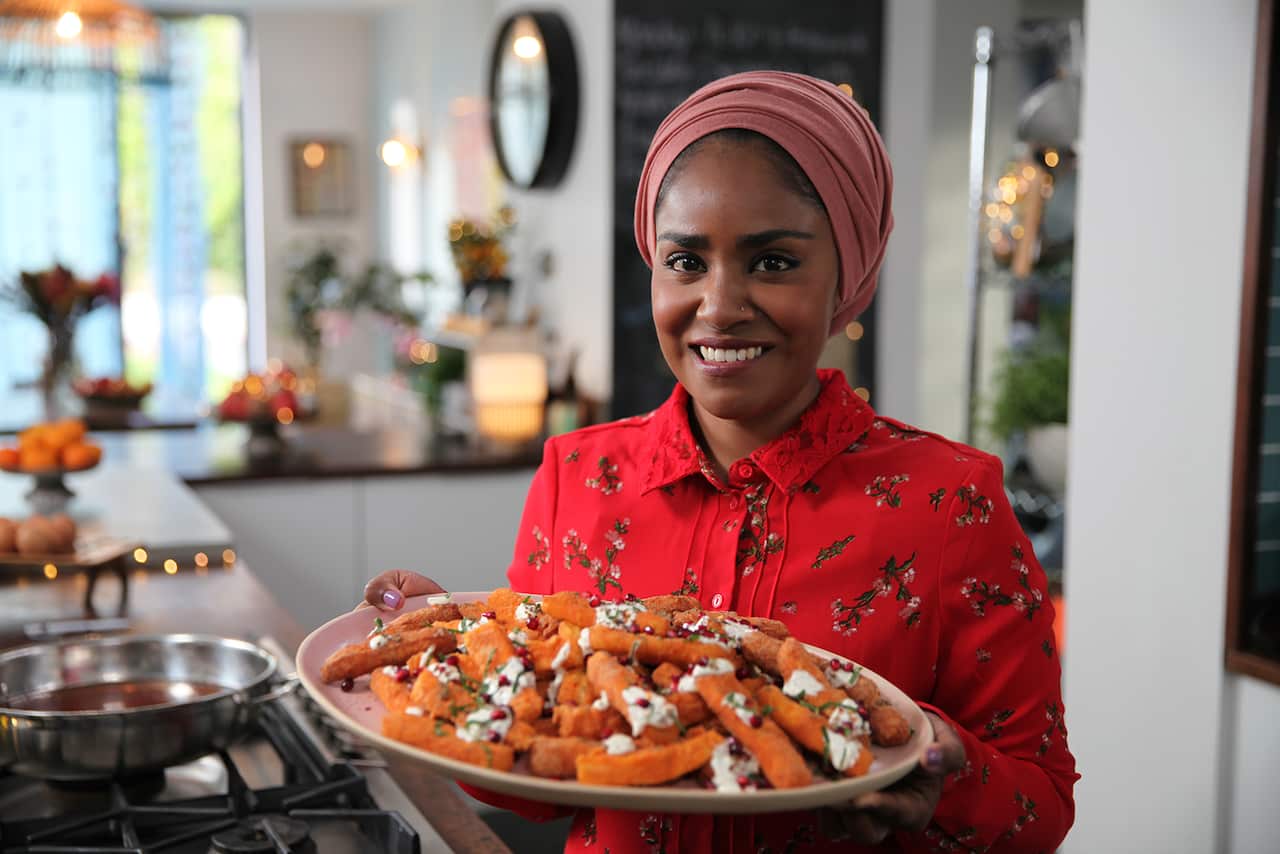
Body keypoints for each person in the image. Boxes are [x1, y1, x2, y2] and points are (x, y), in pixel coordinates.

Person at [363, 71, 1077, 853]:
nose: (720, 305)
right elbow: (532, 784)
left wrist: (936, 762)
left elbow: (1038, 807)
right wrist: (458, 665)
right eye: (685, 262)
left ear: (850, 275)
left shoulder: (949, 503)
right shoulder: (577, 475)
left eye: (773, 262)